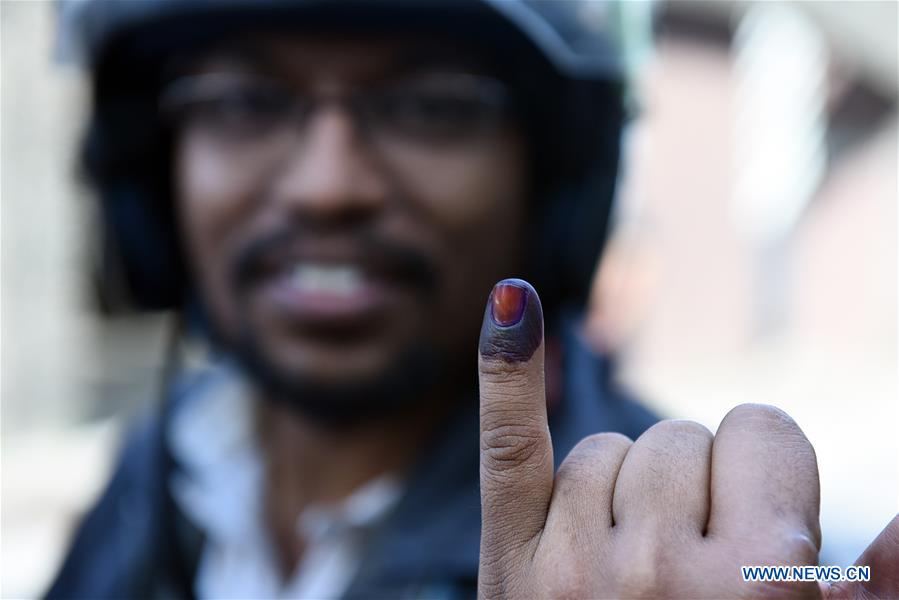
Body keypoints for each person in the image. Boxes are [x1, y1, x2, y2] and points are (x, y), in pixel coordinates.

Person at [49, 1, 897, 598]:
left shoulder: (691, 565)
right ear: (144, 185)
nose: (326, 186)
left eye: (430, 107)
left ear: (558, 182)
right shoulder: (159, 468)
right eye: (243, 103)